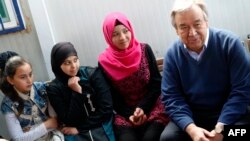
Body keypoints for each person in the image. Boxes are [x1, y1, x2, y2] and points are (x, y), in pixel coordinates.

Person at [160, 0, 250, 141]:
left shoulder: (231, 44)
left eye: (197, 24)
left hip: (230, 116)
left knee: (242, 133)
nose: (192, 33)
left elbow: (242, 90)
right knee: (168, 138)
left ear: (206, 22)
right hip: (193, 118)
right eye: (183, 27)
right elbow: (171, 97)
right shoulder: (172, 55)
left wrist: (222, 126)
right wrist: (191, 128)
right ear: (176, 30)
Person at [98, 12, 169, 141]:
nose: (122, 37)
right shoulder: (104, 62)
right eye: (115, 34)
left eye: (125, 31)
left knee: (150, 138)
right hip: (125, 114)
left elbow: (156, 83)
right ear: (108, 36)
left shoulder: (145, 49)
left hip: (152, 106)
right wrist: (131, 114)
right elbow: (111, 96)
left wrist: (142, 108)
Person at [46, 42, 115, 141]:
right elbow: (68, 119)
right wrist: (77, 93)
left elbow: (107, 109)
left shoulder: (93, 74)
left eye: (75, 60)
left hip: (101, 125)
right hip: (74, 132)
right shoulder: (54, 88)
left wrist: (80, 128)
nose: (74, 66)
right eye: (67, 63)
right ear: (57, 65)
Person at [0, 54, 63, 141]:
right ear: (10, 80)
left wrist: (31, 131)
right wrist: (46, 125)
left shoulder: (43, 88)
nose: (29, 80)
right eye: (23, 77)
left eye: (30, 74)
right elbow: (18, 138)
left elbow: (55, 122)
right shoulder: (7, 104)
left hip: (52, 136)